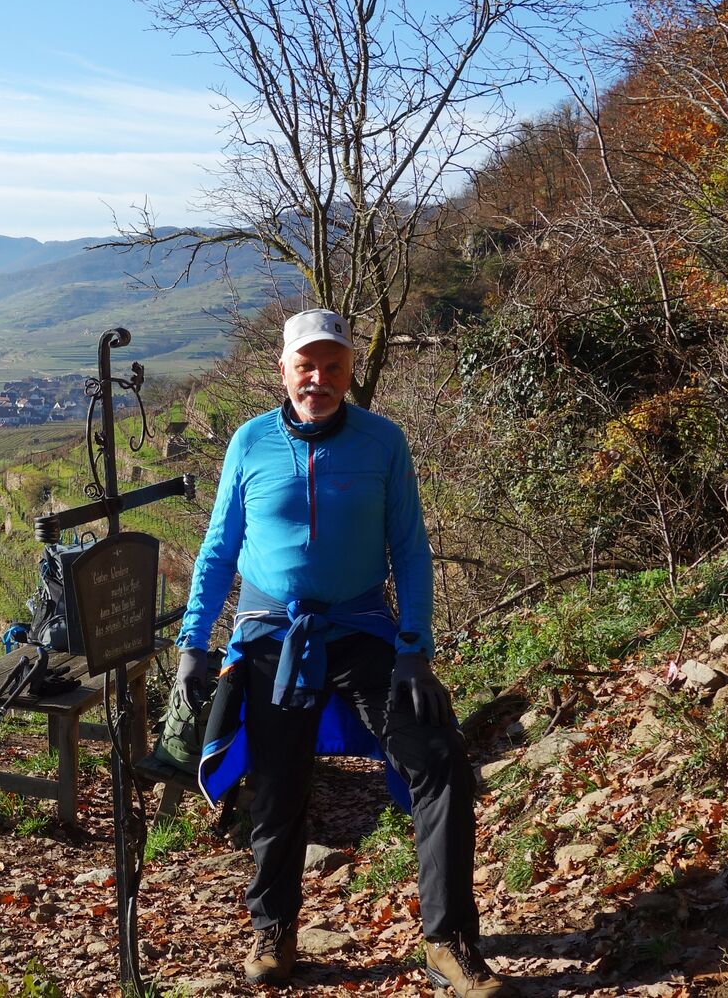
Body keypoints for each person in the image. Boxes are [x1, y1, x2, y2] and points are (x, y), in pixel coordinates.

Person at [173, 309, 514, 996]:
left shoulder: (382, 441)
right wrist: (193, 643)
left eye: (333, 367)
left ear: (350, 371)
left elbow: (409, 549)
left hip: (363, 631)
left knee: (439, 759)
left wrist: (415, 648)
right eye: (307, 366)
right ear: (284, 369)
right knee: (278, 782)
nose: (319, 379)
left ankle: (448, 942)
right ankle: (273, 927)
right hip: (271, 636)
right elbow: (217, 549)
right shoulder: (249, 442)